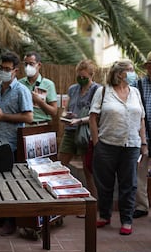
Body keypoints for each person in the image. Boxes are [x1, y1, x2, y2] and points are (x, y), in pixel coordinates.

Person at [89, 59, 147, 236]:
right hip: (106, 145)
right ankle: (105, 215)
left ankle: (126, 220)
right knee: (105, 184)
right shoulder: (103, 91)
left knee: (128, 184)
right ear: (119, 73)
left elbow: (141, 118)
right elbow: (93, 117)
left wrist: (143, 143)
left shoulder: (135, 92)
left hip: (131, 145)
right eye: (129, 70)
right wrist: (96, 142)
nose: (132, 74)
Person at [0, 51, 33, 235]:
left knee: (11, 183)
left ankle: (12, 221)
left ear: (15, 71)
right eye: (1, 68)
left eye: (7, 69)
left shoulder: (21, 91)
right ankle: (1, 216)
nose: (3, 71)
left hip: (11, 144)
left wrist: (3, 116)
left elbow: (28, 117)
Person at [58, 59, 100, 200]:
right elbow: (65, 109)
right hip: (70, 130)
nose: (81, 79)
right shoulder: (72, 89)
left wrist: (80, 120)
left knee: (88, 170)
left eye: (84, 77)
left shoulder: (97, 90)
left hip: (86, 133)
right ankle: (61, 199)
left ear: (91, 75)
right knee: (60, 165)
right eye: (79, 76)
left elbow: (97, 115)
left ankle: (92, 204)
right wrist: (65, 116)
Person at [133, 52, 151, 218]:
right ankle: (142, 206)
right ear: (147, 67)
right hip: (143, 137)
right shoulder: (138, 84)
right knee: (140, 174)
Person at [19, 51, 57, 124]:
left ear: (39, 65)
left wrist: (39, 101)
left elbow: (54, 112)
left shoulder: (48, 84)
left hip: (42, 125)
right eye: (26, 64)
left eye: (31, 64)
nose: (28, 67)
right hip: (23, 125)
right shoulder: (20, 84)